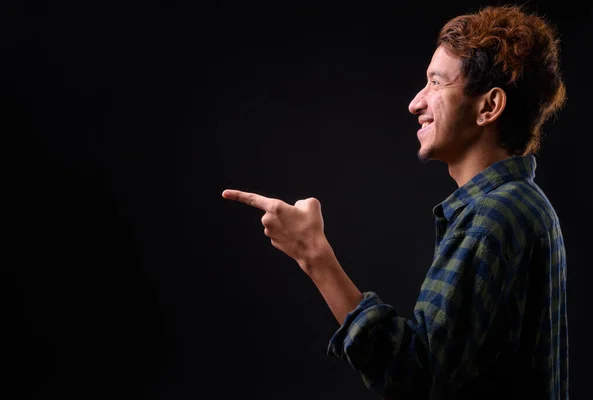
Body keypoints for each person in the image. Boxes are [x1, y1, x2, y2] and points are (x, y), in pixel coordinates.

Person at [222, 4, 568, 399]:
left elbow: (413, 377)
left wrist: (314, 255)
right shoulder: (526, 204)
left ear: (489, 106)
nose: (416, 103)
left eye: (437, 83)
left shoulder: (491, 217)